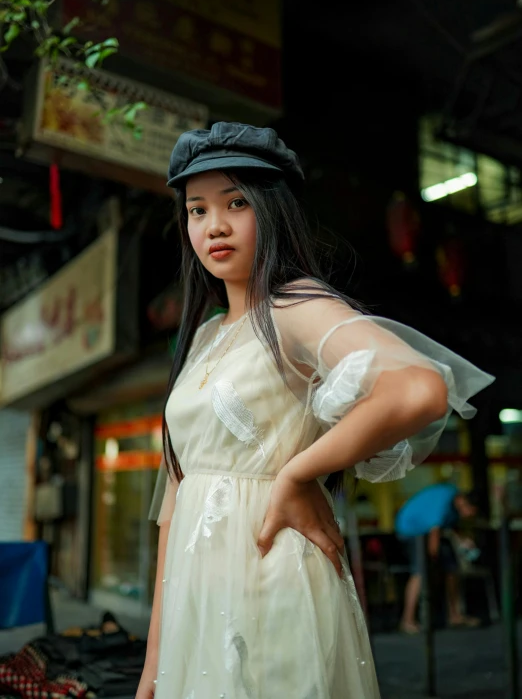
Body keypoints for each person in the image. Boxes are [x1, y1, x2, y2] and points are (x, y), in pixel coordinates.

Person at [136, 122, 494, 699]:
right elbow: (177, 502)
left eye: (236, 203)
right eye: (197, 210)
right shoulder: (203, 337)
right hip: (196, 595)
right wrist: (155, 658)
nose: (215, 225)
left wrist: (299, 472)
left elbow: (419, 388)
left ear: (272, 212)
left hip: (273, 570)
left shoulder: (294, 306)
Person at [396, 484, 480, 634]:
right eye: (470, 511)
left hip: (430, 531)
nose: (469, 515)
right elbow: (434, 541)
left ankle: (455, 615)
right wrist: (433, 563)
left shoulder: (455, 506)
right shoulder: (444, 503)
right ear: (464, 502)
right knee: (420, 572)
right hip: (411, 530)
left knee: (452, 568)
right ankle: (407, 621)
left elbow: (450, 528)